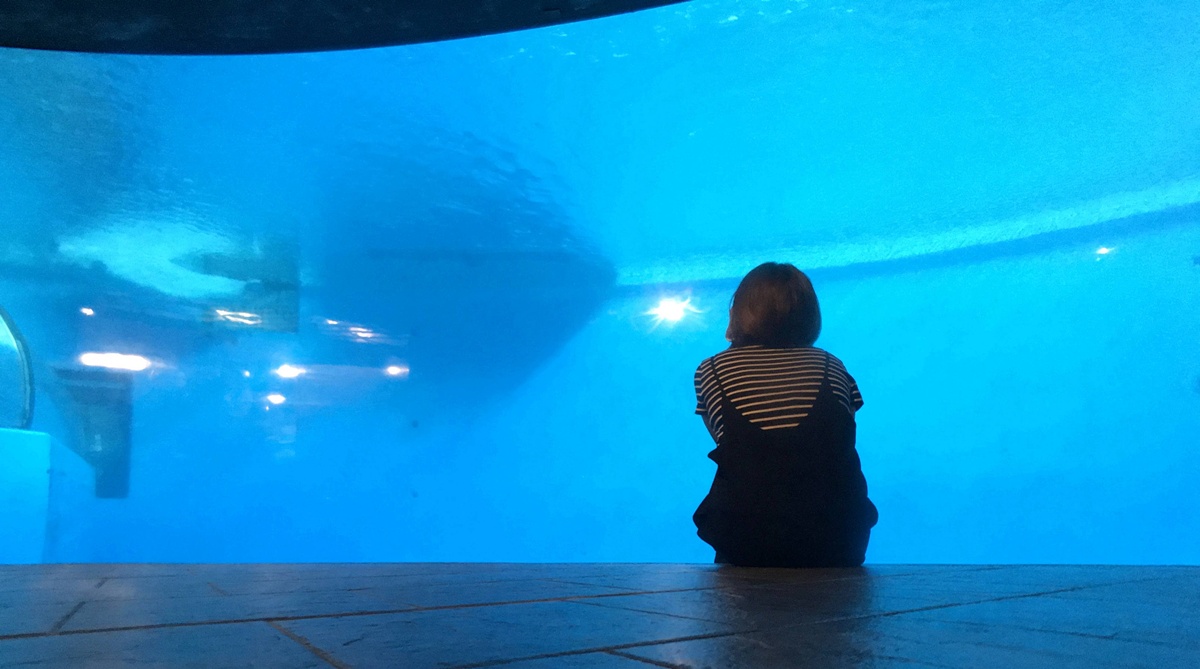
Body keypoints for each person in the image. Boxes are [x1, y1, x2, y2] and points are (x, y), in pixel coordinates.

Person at [693, 262, 877, 567]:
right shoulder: (832, 365)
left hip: (745, 539)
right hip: (839, 537)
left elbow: (725, 440)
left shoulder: (712, 369)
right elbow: (842, 434)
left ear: (738, 311)